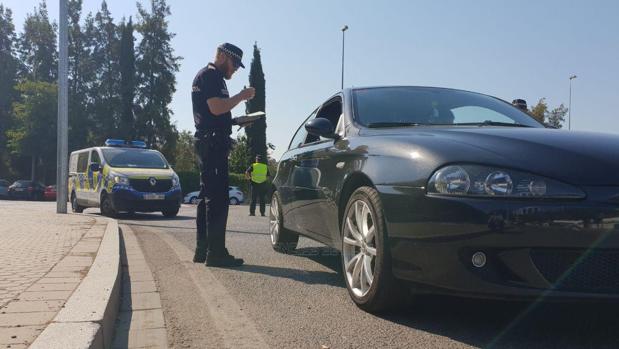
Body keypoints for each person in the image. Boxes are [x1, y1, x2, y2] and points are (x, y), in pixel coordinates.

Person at [191, 43, 255, 267]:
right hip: (212, 143)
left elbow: (215, 114)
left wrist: (236, 121)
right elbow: (216, 108)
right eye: (235, 63)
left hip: (209, 140)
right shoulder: (210, 76)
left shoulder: (210, 77)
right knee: (217, 199)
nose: (236, 69)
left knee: (206, 196)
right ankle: (216, 252)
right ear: (225, 57)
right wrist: (242, 96)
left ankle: (202, 249)